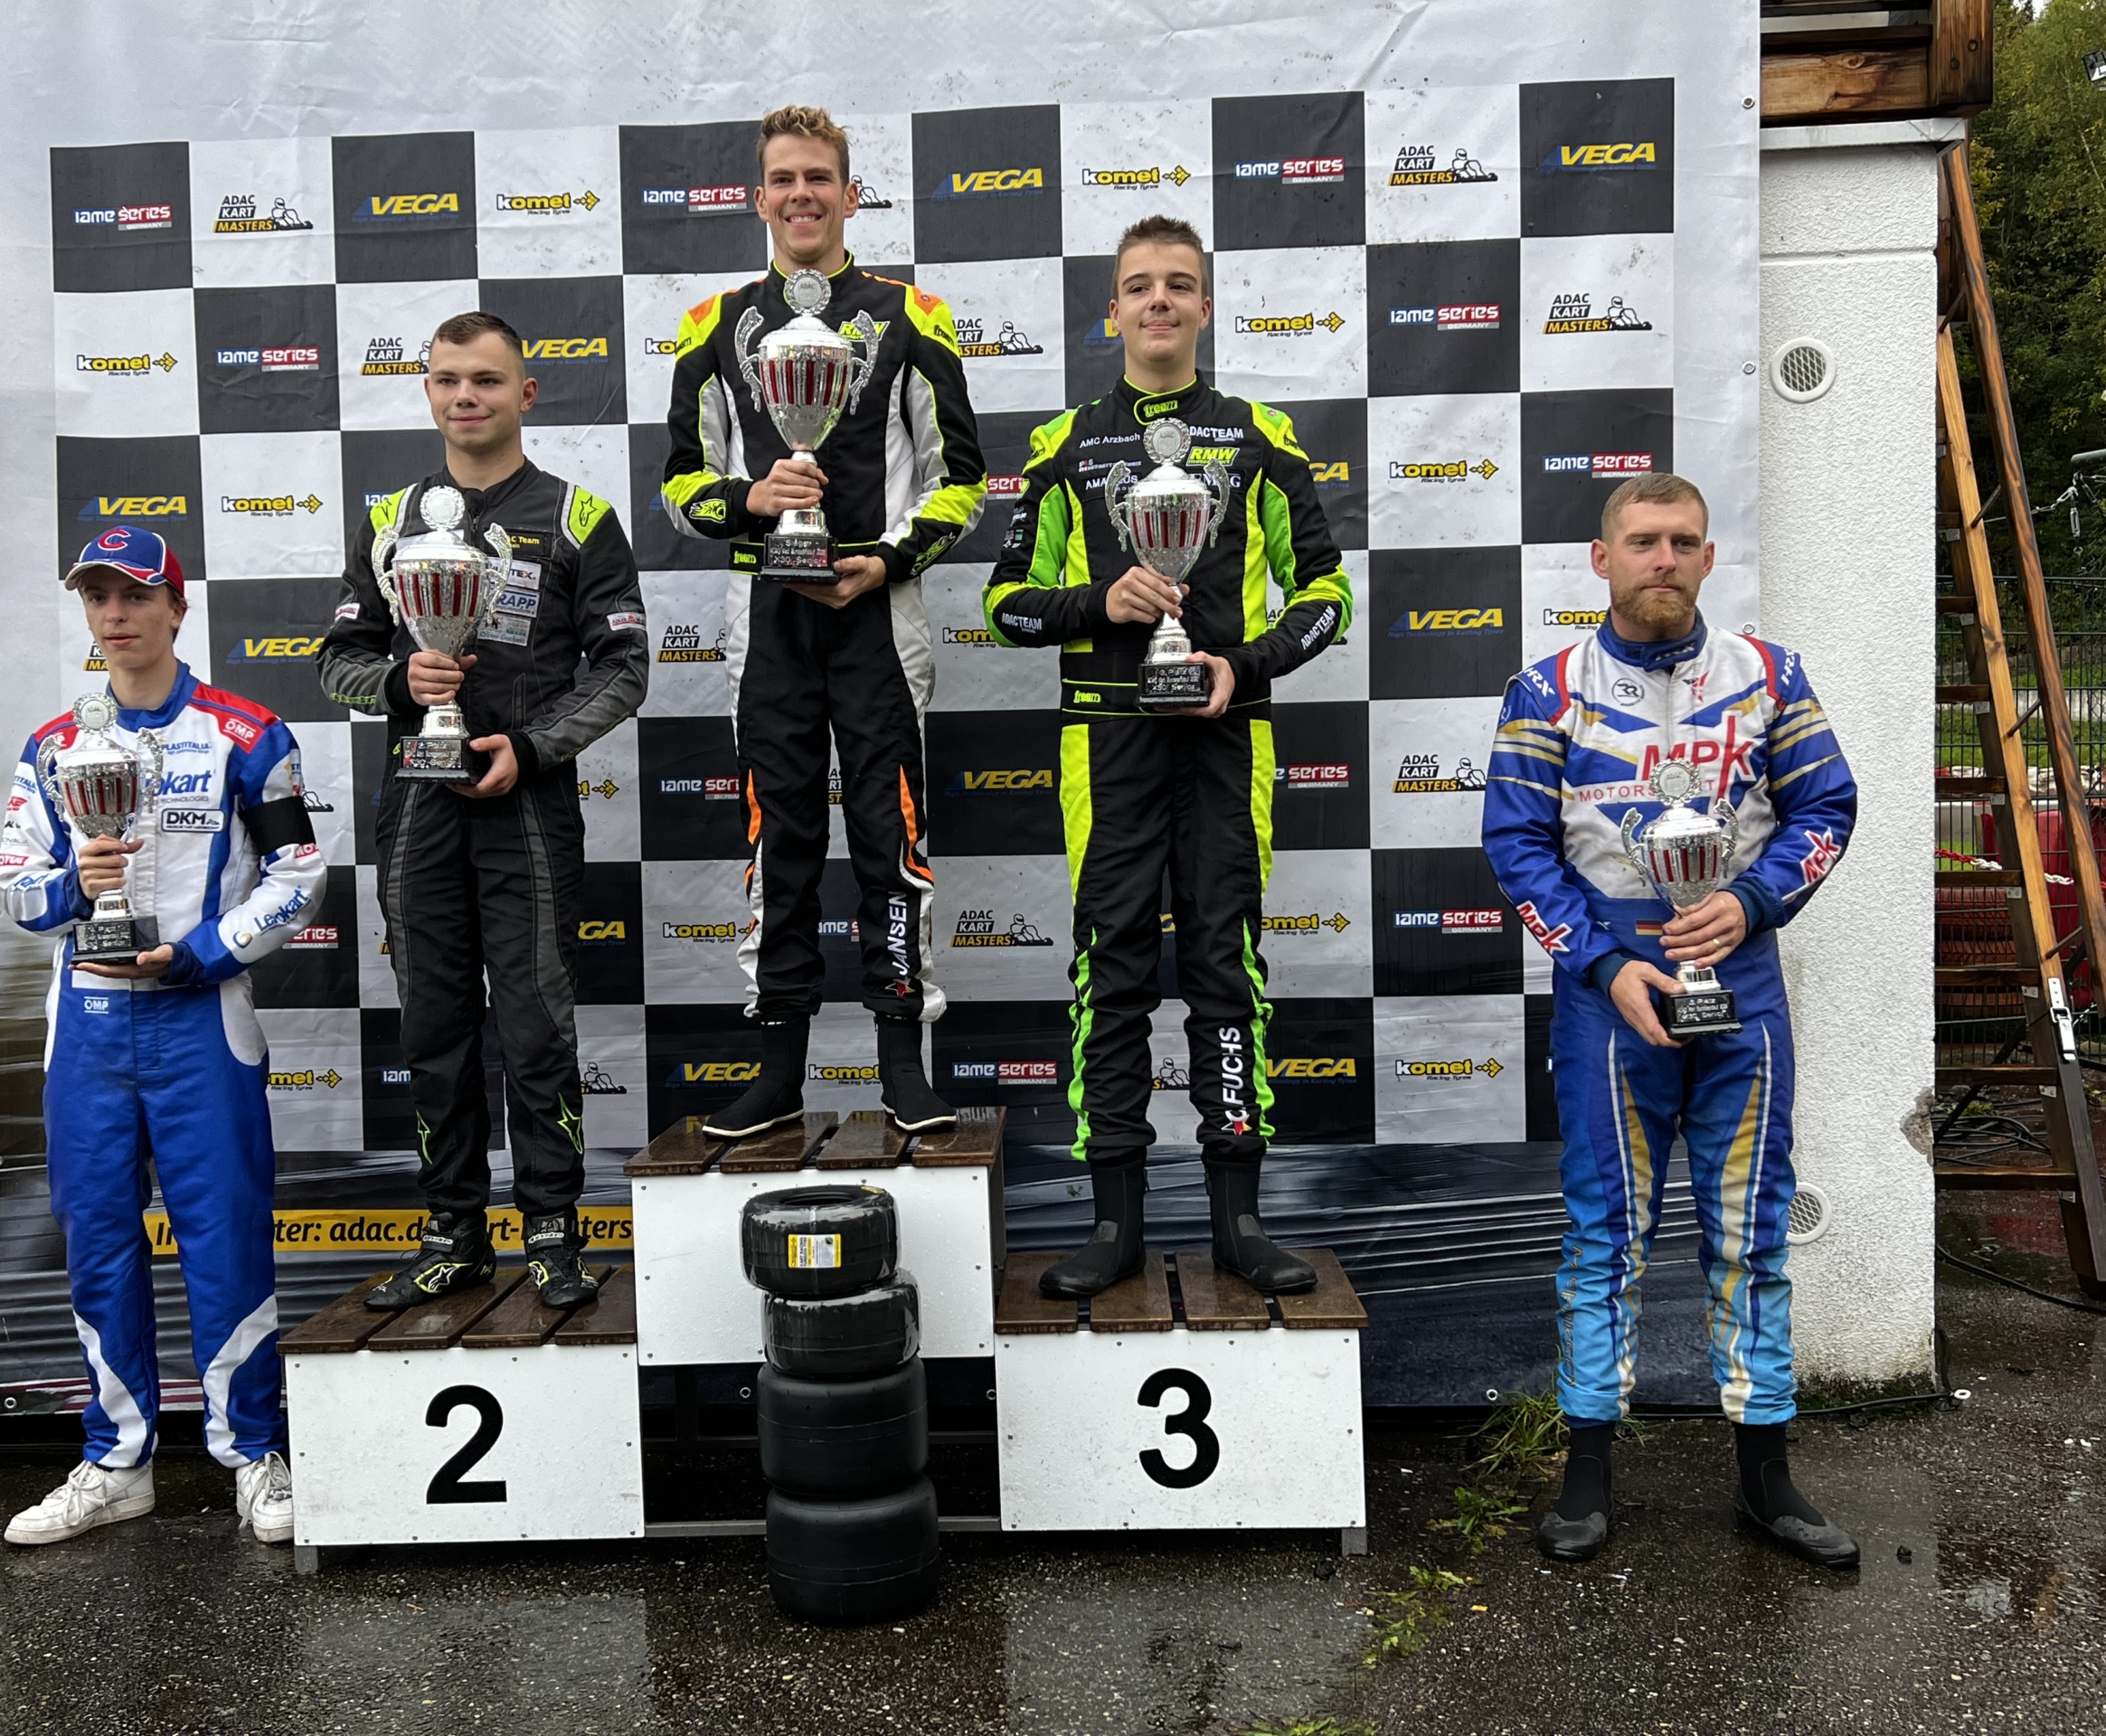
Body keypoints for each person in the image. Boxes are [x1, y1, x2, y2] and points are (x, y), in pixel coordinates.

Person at [1481, 473, 1861, 1569]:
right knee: (1604, 1235)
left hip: (1740, 981)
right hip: (1612, 994)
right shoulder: (1545, 689)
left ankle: (1766, 1475)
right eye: (1643, 541)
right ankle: (1587, 1474)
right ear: (1601, 559)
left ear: (1707, 557)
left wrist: (1751, 901)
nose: (1664, 558)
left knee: (1751, 1228)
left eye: (1682, 541)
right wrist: (1602, 964)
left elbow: (1828, 805)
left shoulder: (1770, 676)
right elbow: (1515, 845)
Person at [982, 213, 1351, 1298]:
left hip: (1228, 734)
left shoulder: (1260, 436)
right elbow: (1005, 605)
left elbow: (1327, 594)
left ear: (1203, 307)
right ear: (1112, 311)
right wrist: (1100, 601)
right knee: (1112, 971)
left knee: (1227, 968)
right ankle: (1114, 1226)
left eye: (1178, 284)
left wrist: (1243, 664)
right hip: (1106, 740)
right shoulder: (1063, 445)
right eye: (1140, 285)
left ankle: (1239, 1220)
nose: (1159, 300)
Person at [662, 103, 987, 1140]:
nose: (800, 194)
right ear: (759, 197)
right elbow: (679, 484)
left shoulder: (911, 315)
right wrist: (752, 502)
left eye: (818, 178)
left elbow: (961, 481)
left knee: (892, 834)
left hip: (877, 613)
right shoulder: (712, 325)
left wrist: (886, 560)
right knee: (778, 837)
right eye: (783, 178)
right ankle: (779, 1071)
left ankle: (901, 1063)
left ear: (850, 195)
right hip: (766, 616)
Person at [0, 524, 325, 1546]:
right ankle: (116, 1461)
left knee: (225, 1240)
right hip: (88, 1031)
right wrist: (73, 886)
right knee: (98, 1245)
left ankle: (253, 1453)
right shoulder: (53, 746)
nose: (115, 615)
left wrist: (197, 955)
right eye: (98, 598)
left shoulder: (247, 733)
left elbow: (299, 877)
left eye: (136, 595)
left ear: (178, 608)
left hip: (201, 1021)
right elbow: (16, 894)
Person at [318, 311, 649, 1309]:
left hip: (528, 809)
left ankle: (552, 1232)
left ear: (525, 394)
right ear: (427, 390)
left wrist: (533, 746)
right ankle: (452, 1233)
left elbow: (626, 667)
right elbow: (336, 661)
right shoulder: (390, 520)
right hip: (417, 812)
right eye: (448, 379)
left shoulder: (578, 516)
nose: (466, 397)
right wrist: (400, 682)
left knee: (537, 1029)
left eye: (487, 380)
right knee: (434, 1026)